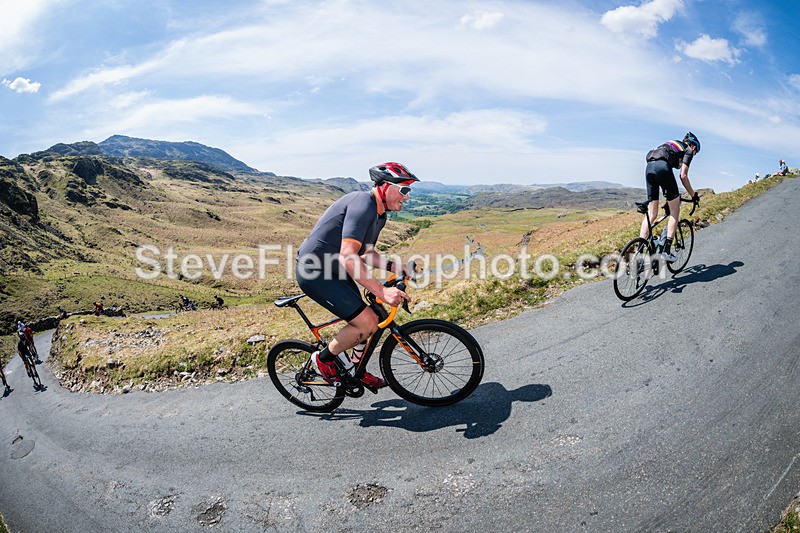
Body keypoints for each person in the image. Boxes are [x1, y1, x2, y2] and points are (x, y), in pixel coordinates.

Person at [296, 162, 417, 388]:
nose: (406, 197)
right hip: (314, 271)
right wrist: (382, 291)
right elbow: (349, 256)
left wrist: (394, 267)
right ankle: (322, 361)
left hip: (334, 269)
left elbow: (366, 253)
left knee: (370, 318)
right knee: (366, 321)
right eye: (404, 190)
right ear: (384, 186)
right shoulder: (363, 204)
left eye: (408, 191)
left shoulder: (380, 216)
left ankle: (355, 369)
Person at [641, 132, 700, 262]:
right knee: (675, 211)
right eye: (695, 153)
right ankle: (666, 251)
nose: (693, 155)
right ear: (694, 147)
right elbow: (683, 175)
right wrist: (693, 195)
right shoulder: (688, 150)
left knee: (652, 214)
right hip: (662, 167)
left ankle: (640, 248)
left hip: (649, 167)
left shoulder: (671, 144)